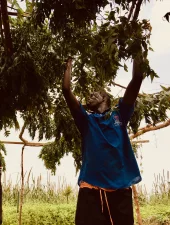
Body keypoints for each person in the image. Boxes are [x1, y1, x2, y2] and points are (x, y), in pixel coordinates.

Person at [62, 56, 144, 225]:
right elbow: (66, 89)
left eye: (95, 93)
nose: (90, 95)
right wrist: (68, 66)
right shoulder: (86, 121)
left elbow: (137, 79)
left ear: (106, 98)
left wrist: (137, 46)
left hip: (119, 192)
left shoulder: (119, 115)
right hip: (91, 190)